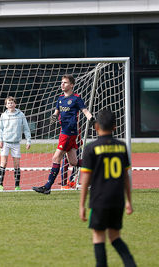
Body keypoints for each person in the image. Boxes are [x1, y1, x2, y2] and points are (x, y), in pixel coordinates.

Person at [79, 109, 136, 267]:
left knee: (98, 237)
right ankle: (131, 264)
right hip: (117, 200)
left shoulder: (91, 148)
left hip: (99, 200)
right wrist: (129, 201)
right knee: (115, 236)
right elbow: (126, 176)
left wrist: (81, 205)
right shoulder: (122, 147)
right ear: (115, 127)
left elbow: (85, 180)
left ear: (96, 126)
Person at [33, 74, 94, 194]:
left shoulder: (76, 98)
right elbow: (56, 113)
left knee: (56, 157)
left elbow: (85, 111)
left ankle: (47, 186)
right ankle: (95, 163)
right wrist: (53, 118)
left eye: (65, 82)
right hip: (64, 132)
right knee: (73, 162)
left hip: (69, 133)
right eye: (62, 82)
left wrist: (92, 119)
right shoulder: (60, 98)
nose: (62, 84)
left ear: (71, 85)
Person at [0, 96, 31, 191]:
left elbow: (26, 128)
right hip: (5, 142)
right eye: (8, 103)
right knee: (3, 163)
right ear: (6, 105)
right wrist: (0, 140)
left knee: (16, 164)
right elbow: (0, 129)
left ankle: (17, 185)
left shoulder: (20, 115)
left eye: (12, 102)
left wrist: (28, 141)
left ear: (15, 104)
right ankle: (0, 185)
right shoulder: (3, 115)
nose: (10, 104)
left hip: (16, 143)